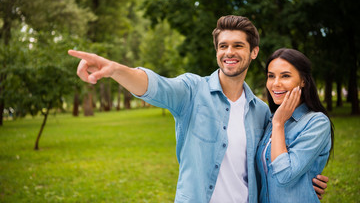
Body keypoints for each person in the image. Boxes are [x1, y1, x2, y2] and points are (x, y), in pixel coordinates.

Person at [68, 15, 328, 203]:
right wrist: (116, 70)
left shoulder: (261, 112)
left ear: (254, 52)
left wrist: (304, 183)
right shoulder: (192, 90)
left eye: (238, 45)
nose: (229, 52)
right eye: (223, 46)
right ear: (216, 51)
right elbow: (158, 86)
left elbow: (269, 164)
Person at [256, 48, 334, 202]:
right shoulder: (269, 120)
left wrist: (278, 124)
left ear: (303, 81)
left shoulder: (317, 123)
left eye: (285, 76)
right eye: (271, 76)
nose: (276, 83)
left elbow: (285, 175)